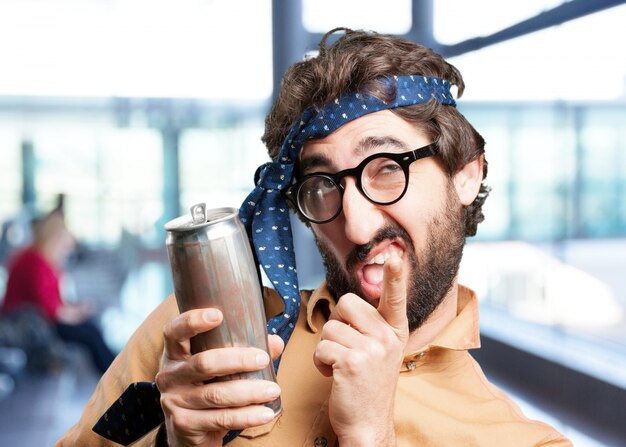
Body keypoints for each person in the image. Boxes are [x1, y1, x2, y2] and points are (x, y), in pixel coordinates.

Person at [57, 28, 572, 446]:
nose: (357, 226)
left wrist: (372, 437)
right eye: (322, 186)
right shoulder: (196, 337)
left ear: (465, 173)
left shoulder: (522, 441)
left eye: (388, 168)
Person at [1, 209, 115, 375]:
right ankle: (115, 375)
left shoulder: (41, 260)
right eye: (65, 247)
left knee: (92, 328)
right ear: (54, 240)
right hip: (27, 324)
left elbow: (53, 302)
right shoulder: (34, 262)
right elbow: (49, 310)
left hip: (39, 320)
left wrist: (77, 311)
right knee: (90, 333)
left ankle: (115, 372)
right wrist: (76, 313)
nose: (67, 252)